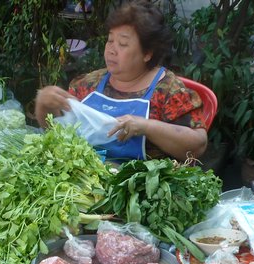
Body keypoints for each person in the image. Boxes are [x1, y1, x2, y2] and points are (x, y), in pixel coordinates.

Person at [34, 0, 207, 161]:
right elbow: (57, 135)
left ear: (147, 53)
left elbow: (198, 145)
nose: (111, 50)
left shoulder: (168, 91)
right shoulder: (89, 85)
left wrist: (146, 126)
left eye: (123, 44)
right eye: (110, 41)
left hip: (140, 186)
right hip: (87, 182)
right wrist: (43, 106)